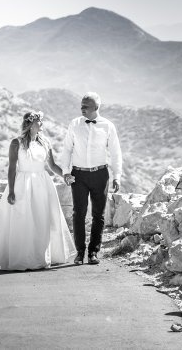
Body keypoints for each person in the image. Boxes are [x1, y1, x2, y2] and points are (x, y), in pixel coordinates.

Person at [0, 111, 77, 270]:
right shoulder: (16, 143)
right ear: (30, 124)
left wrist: (65, 175)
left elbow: (52, 166)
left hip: (42, 184)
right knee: (24, 220)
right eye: (39, 121)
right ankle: (22, 258)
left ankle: (41, 257)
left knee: (42, 220)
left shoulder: (45, 142)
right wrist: (11, 191)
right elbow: (12, 168)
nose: (41, 124)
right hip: (23, 184)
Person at [59, 92, 122, 265]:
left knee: (98, 215)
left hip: (100, 174)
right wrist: (66, 172)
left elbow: (116, 153)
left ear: (96, 107)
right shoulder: (74, 124)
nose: (82, 108)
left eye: (86, 106)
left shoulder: (108, 126)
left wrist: (117, 176)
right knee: (78, 213)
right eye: (81, 105)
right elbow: (67, 149)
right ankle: (79, 253)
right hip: (78, 175)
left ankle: (93, 252)